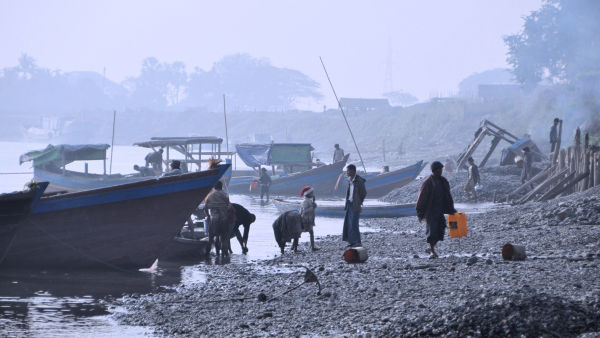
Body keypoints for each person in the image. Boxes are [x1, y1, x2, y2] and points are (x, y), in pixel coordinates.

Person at [416, 161, 457, 259]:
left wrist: (451, 208)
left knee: (441, 229)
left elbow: (448, 195)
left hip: (440, 210)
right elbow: (421, 198)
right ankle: (431, 250)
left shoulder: (443, 181)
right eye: (438, 170)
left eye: (441, 169)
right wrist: (420, 211)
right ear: (434, 171)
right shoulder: (428, 182)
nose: (440, 171)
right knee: (432, 231)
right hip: (431, 211)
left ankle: (431, 247)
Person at [204, 181, 233, 256]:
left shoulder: (210, 195)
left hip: (214, 219)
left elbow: (205, 208)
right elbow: (229, 207)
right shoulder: (224, 195)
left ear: (214, 187)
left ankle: (207, 256)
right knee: (223, 239)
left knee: (211, 239)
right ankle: (224, 257)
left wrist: (208, 216)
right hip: (224, 219)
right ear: (221, 187)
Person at [342, 164, 367, 247]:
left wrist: (359, 201)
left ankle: (357, 241)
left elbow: (363, 193)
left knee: (354, 224)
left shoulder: (359, 181)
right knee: (348, 223)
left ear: (353, 171)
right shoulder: (350, 180)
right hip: (349, 203)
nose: (347, 172)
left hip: (355, 205)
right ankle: (351, 241)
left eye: (348, 170)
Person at [300, 186, 319, 251]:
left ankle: (312, 246)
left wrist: (314, 205)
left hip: (309, 220)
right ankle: (312, 246)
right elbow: (305, 211)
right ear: (308, 194)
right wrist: (312, 207)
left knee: (311, 232)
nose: (313, 194)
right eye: (312, 193)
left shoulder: (309, 201)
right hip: (305, 220)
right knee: (301, 232)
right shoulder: (305, 201)